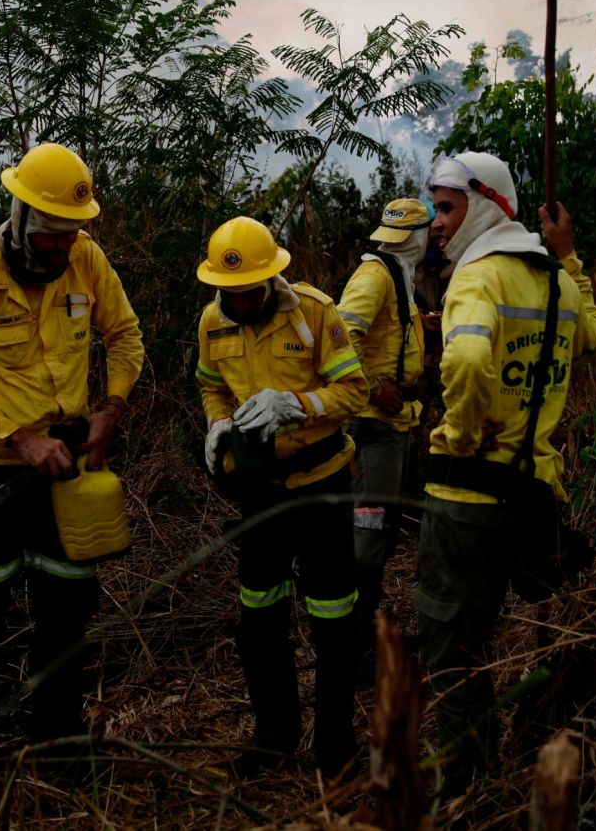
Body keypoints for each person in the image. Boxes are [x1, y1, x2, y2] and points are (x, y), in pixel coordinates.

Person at [0, 143, 144, 776]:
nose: (65, 245)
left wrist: (110, 411)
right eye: (53, 233)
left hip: (67, 472)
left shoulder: (86, 261)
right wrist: (20, 437)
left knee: (66, 613)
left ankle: (59, 751)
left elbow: (125, 335)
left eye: (75, 231)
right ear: (19, 218)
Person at [415, 152, 596, 792]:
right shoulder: (555, 280)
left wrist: (465, 433)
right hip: (530, 499)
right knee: (493, 634)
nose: (436, 223)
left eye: (447, 208)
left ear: (492, 204)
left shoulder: (477, 276)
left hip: (465, 498)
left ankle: (466, 787)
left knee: (452, 655)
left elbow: (467, 359)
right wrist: (572, 257)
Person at [193, 216, 370, 776]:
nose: (238, 304)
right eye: (228, 294)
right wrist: (219, 422)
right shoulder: (211, 322)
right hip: (259, 491)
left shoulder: (315, 312)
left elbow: (354, 390)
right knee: (260, 615)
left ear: (271, 280)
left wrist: (295, 404)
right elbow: (210, 383)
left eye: (247, 294)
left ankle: (336, 740)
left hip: (322, 483)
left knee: (332, 614)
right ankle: (274, 733)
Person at [335, 197, 431, 673]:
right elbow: (342, 332)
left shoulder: (398, 275)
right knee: (367, 538)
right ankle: (355, 647)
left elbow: (386, 334)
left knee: (379, 532)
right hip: (372, 427)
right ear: (418, 236)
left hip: (393, 427)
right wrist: (374, 386)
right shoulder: (375, 276)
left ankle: (366, 632)